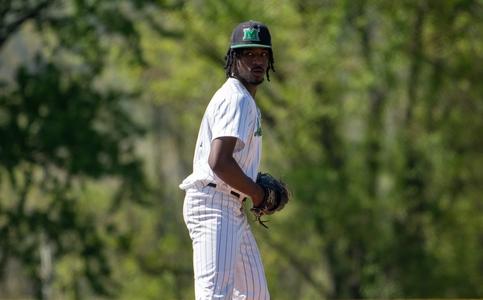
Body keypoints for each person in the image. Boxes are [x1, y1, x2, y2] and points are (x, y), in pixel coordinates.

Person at [179, 20, 275, 299]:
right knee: (215, 296)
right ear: (233, 59)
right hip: (213, 205)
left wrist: (251, 190)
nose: (257, 60)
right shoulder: (237, 99)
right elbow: (219, 162)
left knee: (254, 295)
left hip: (230, 206)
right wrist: (257, 193)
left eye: (262, 54)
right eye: (248, 54)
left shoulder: (244, 99)